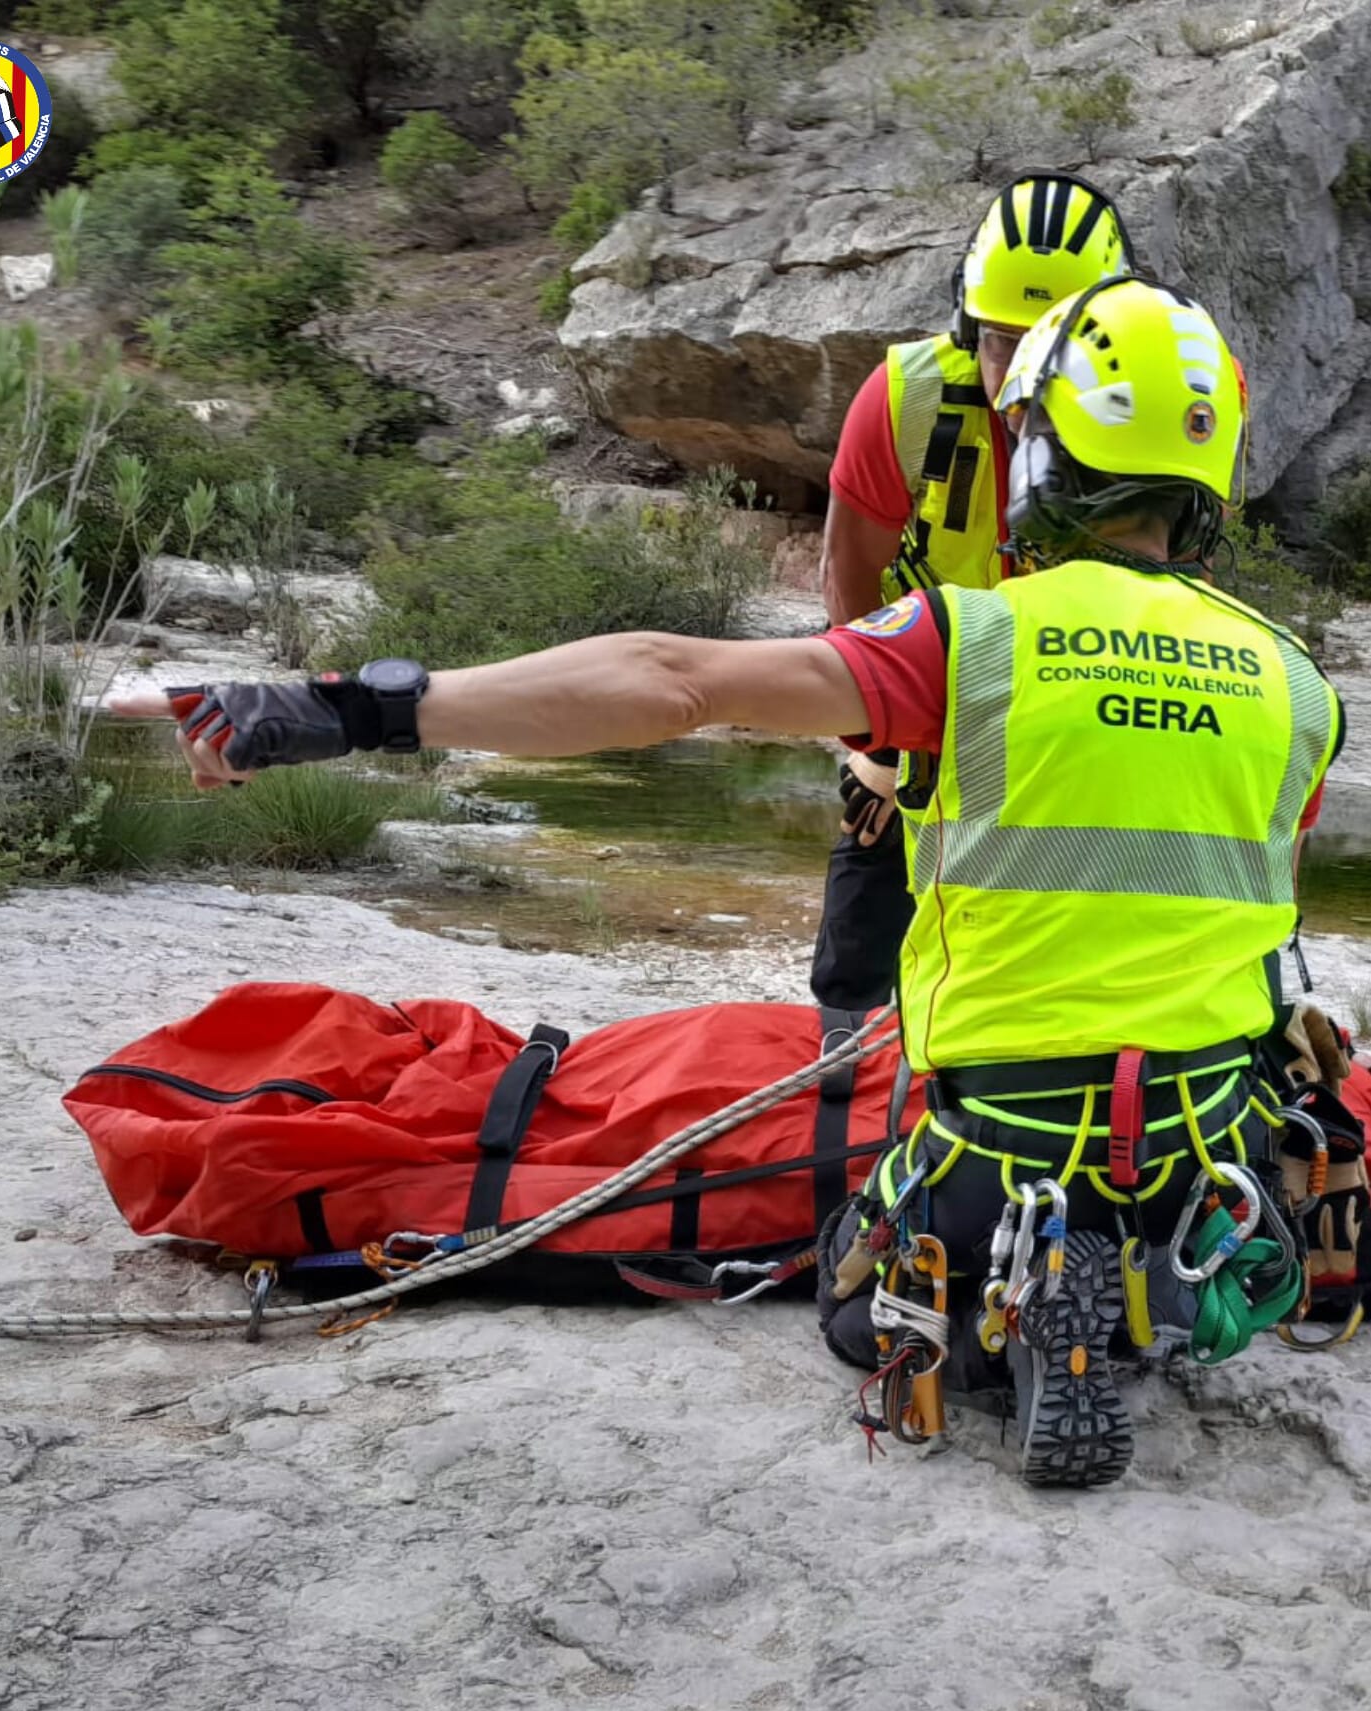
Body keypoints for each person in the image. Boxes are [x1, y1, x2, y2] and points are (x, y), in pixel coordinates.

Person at [116, 276, 1344, 1491]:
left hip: (997, 1140)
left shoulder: (968, 639)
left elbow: (671, 679)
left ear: (1038, 452)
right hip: (1204, 1155)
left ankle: (1017, 1291)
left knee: (860, 1316)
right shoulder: (1298, 688)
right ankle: (1141, 1293)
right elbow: (1255, 926)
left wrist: (366, 710)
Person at [813, 173, 1136, 1014]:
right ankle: (843, 1065)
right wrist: (873, 741)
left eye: (1055, 344)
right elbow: (847, 576)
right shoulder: (904, 399)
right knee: (869, 883)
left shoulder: (1160, 415)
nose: (1024, 374)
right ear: (966, 324)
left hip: (1083, 694)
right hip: (924, 681)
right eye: (1001, 341)